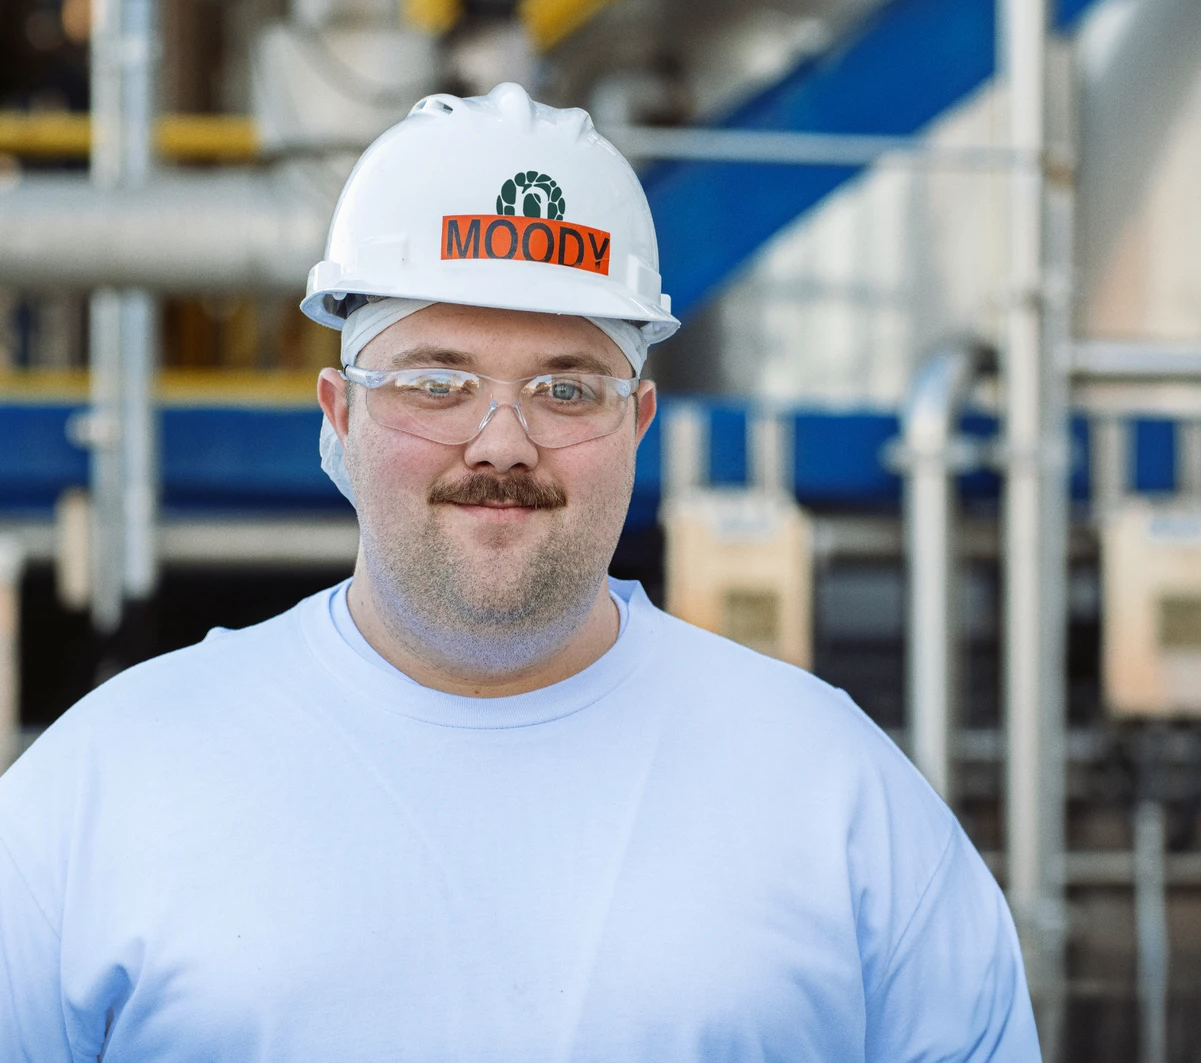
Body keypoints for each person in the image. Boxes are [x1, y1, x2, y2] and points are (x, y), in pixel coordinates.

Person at [0, 83, 1036, 1060]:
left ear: (638, 423)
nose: (501, 442)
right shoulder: (107, 788)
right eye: (437, 381)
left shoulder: (833, 793)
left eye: (566, 389)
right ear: (340, 416)